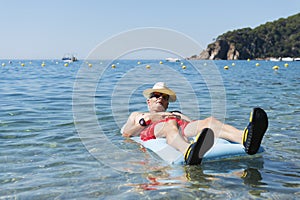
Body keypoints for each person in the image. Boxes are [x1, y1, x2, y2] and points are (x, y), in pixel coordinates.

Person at [122, 82, 268, 165]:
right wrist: (147, 120)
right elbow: (126, 133)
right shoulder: (138, 115)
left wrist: (180, 119)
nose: (160, 98)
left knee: (209, 121)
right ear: (149, 101)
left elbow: (193, 126)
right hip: (155, 129)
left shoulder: (175, 113)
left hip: (179, 126)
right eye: (156, 96)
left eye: (164, 97)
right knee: (170, 125)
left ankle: (246, 137)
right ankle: (187, 150)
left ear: (167, 102)